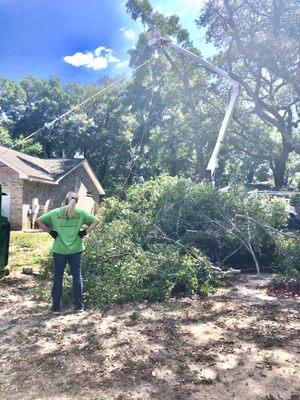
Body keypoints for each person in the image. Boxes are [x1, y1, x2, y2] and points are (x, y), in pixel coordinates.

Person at [37, 192, 100, 314]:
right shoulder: (81, 213)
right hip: (76, 250)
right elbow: (96, 221)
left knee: (58, 277)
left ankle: (56, 308)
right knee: (77, 277)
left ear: (65, 200)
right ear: (76, 201)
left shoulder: (55, 213)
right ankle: (79, 307)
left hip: (59, 250)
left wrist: (51, 232)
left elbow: (38, 220)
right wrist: (84, 232)